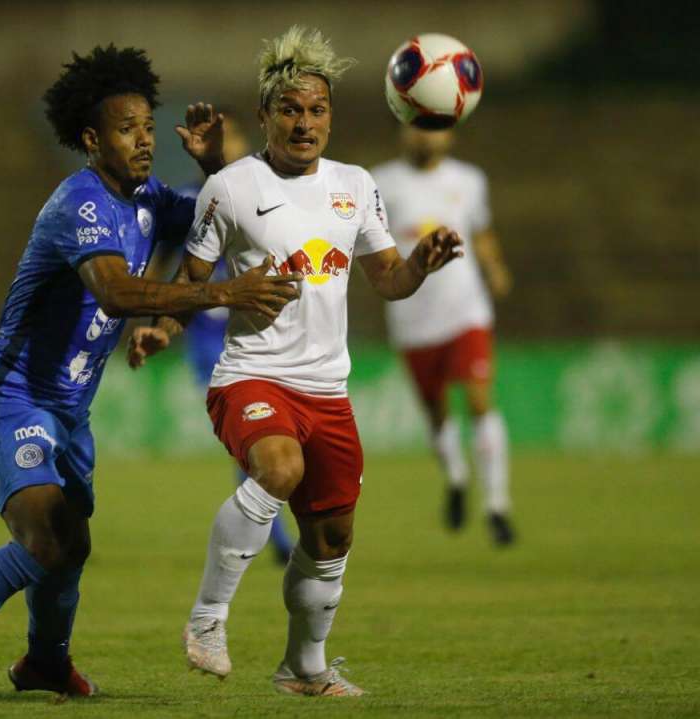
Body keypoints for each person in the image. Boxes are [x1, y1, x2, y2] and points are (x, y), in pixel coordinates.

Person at [0, 45, 303, 710]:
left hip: (68, 411)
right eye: (126, 128)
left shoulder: (146, 199)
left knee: (72, 543)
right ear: (90, 139)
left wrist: (219, 165)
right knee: (47, 535)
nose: (143, 139)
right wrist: (225, 295)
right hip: (9, 397)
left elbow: (224, 218)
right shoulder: (80, 203)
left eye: (146, 125)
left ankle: (46, 662)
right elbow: (114, 292)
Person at [128, 26, 464, 697]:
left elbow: (388, 279)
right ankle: (207, 618)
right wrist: (162, 326)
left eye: (316, 110)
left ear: (330, 116)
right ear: (264, 117)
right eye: (290, 109)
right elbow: (193, 275)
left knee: (331, 539)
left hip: (327, 391)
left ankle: (304, 667)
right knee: (280, 467)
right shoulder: (228, 187)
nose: (304, 122)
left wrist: (420, 267)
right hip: (250, 375)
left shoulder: (356, 186)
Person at [370, 127, 515, 545]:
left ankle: (497, 506)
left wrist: (495, 267)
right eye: (417, 125)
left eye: (434, 127)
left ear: (449, 133)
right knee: (435, 410)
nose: (425, 136)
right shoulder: (382, 182)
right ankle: (455, 477)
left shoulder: (469, 180)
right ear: (402, 129)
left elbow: (482, 232)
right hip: (413, 318)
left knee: (479, 399)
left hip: (465, 309)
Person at [178, 115, 295, 565]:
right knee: (254, 436)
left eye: (232, 137)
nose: (224, 147)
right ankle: (278, 539)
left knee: (273, 441)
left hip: (269, 335)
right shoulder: (188, 200)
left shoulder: (273, 195)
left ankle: (277, 535)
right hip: (212, 340)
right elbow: (171, 263)